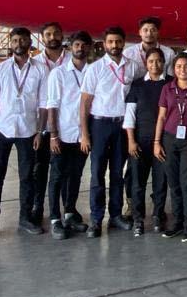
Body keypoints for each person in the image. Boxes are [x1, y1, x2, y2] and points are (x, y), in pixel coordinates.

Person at [0, 27, 50, 240]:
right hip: (2, 129)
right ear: (10, 43)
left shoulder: (40, 70)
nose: (19, 43)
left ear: (30, 42)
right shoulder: (0, 70)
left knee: (27, 177)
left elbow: (44, 104)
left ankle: (25, 218)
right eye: (15, 40)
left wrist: (40, 132)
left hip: (28, 131)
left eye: (23, 39)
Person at [79, 26, 134, 237]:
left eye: (118, 41)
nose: (115, 45)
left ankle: (116, 216)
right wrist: (85, 133)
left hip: (122, 126)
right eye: (111, 42)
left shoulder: (133, 67)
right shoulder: (95, 69)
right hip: (99, 125)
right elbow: (84, 103)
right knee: (97, 174)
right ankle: (95, 218)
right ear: (104, 44)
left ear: (124, 43)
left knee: (118, 173)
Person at [45, 31, 92, 239]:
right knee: (57, 176)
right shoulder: (59, 73)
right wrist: (53, 134)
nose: (80, 48)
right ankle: (55, 218)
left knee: (76, 175)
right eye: (76, 45)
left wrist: (87, 134)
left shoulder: (93, 72)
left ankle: (70, 212)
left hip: (83, 136)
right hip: (62, 134)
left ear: (89, 48)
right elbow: (52, 105)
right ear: (70, 48)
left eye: (83, 45)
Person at [153, 53, 187, 241]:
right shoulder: (167, 88)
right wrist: (157, 142)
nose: (182, 70)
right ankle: (177, 223)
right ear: (173, 69)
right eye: (178, 66)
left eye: (186, 66)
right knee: (173, 183)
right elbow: (161, 117)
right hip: (168, 140)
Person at [123, 47, 170, 235]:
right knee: (137, 182)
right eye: (151, 61)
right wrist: (131, 140)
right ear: (146, 64)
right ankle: (138, 219)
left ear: (163, 63)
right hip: (140, 142)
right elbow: (129, 116)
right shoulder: (137, 86)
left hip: (163, 142)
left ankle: (158, 215)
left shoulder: (170, 84)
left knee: (160, 181)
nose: (155, 65)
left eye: (158, 61)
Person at [31, 21, 67, 227]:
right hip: (41, 127)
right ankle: (38, 206)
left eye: (56, 33)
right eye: (48, 34)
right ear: (42, 38)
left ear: (62, 36)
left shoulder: (72, 61)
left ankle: (66, 209)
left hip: (66, 126)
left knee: (62, 170)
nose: (52, 37)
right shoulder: (34, 63)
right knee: (40, 169)